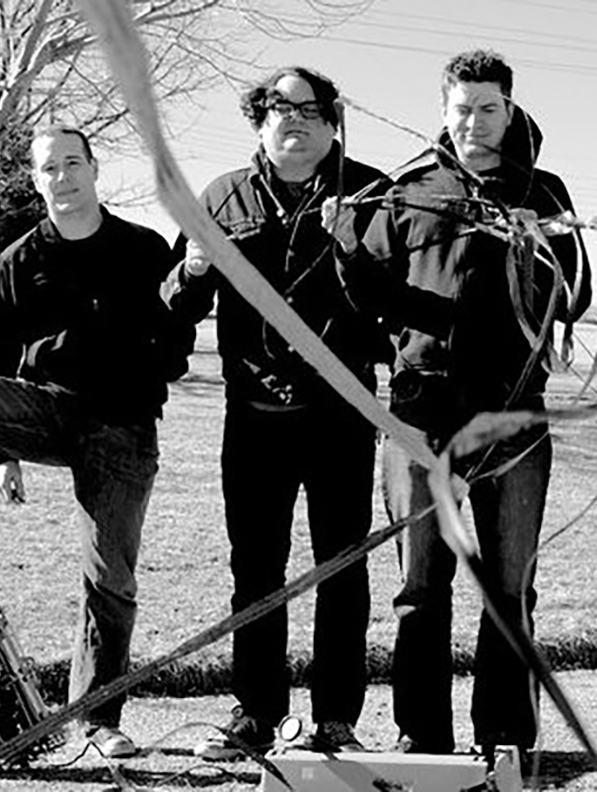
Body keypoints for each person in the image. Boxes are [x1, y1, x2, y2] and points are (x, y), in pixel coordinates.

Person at [327, 49, 592, 760]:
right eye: (462, 108)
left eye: (488, 108)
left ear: (509, 110)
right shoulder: (407, 190)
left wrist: (538, 246)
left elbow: (577, 295)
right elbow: (370, 298)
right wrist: (344, 245)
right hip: (420, 413)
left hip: (512, 414)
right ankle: (421, 737)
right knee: (420, 589)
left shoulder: (543, 191)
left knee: (509, 589)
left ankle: (504, 736)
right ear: (442, 111)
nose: (474, 121)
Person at [0, 125, 195, 758]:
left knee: (111, 578)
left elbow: (177, 342)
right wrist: (3, 453)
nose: (63, 177)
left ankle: (97, 723)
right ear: (36, 180)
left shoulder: (143, 248)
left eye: (74, 163)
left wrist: (147, 363)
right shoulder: (18, 260)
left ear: (95, 169)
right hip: (47, 411)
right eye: (50, 168)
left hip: (123, 426)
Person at [162, 66, 388, 758]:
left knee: (340, 569)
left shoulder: (373, 194)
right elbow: (172, 306)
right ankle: (255, 715)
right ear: (258, 121)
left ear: (333, 123)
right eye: (278, 110)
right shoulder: (220, 196)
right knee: (255, 570)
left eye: (311, 111)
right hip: (253, 415)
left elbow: (393, 302)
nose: (294, 121)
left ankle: (335, 721)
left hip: (340, 417)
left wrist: (351, 245)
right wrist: (194, 269)